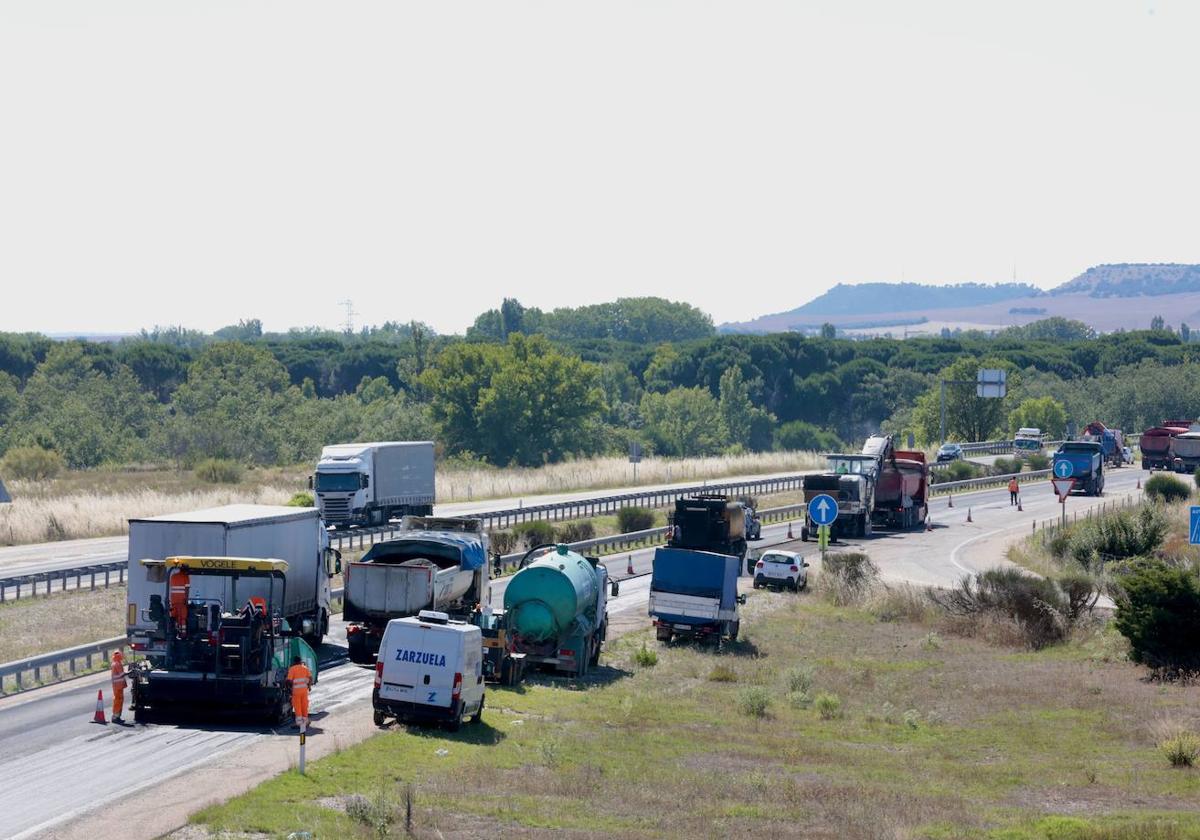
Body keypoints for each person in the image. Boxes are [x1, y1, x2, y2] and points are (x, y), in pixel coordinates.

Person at [286, 655, 313, 731]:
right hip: (304, 691)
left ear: (294, 662)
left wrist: (289, 688)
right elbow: (310, 678)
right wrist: (309, 686)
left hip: (296, 691)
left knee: (298, 707)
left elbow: (289, 680)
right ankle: (305, 721)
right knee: (304, 705)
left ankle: (299, 723)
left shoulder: (292, 669)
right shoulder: (305, 668)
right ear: (300, 661)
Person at [168, 566, 191, 631]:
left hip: (173, 600)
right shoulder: (186, 577)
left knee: (174, 616)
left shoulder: (173, 576)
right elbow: (187, 589)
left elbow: (172, 587)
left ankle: (173, 631)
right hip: (182, 601)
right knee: (183, 618)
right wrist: (186, 600)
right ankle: (183, 633)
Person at [110, 649, 128, 724]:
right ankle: (115, 716)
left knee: (118, 700)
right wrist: (129, 672)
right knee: (118, 700)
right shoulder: (117, 664)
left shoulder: (115, 663)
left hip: (117, 686)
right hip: (118, 686)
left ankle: (117, 716)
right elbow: (121, 674)